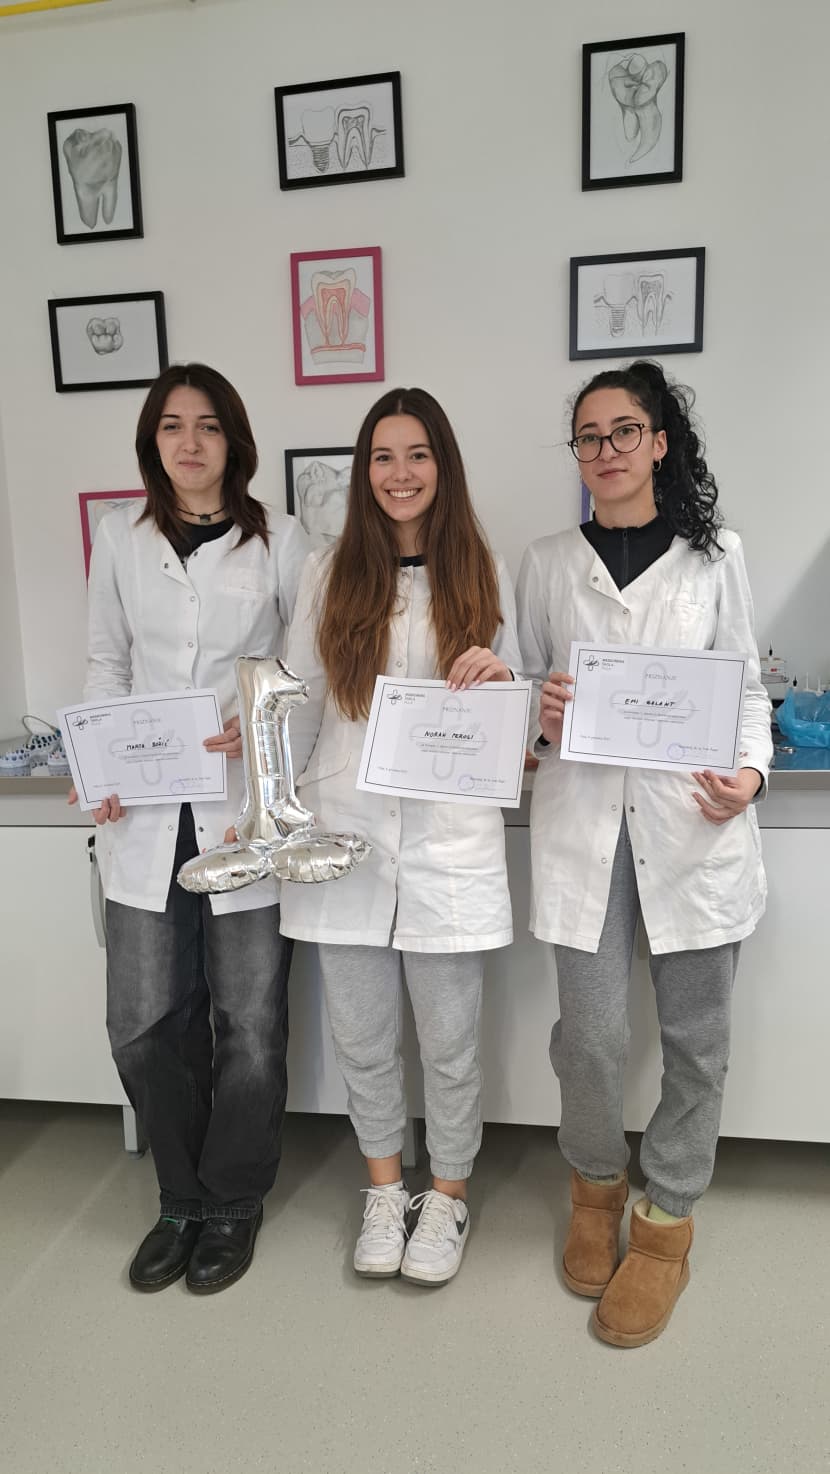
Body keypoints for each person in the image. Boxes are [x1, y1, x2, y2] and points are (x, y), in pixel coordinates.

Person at [516, 360, 772, 1347]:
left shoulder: (715, 558)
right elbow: (521, 695)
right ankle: (594, 1187)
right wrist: (537, 716)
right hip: (582, 823)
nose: (606, 450)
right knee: (589, 1038)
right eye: (588, 436)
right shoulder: (545, 562)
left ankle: (665, 1223)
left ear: (659, 443)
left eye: (624, 431)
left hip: (690, 826)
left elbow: (744, 689)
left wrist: (748, 775)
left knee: (696, 1041)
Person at [71, 363, 310, 1293]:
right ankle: (180, 1194)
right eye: (172, 426)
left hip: (242, 809)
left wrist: (262, 724)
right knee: (141, 1021)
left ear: (233, 440)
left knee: (249, 1020)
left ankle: (233, 1198)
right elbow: (106, 663)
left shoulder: (280, 540)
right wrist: (97, 767)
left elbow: (309, 669)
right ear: (153, 442)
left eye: (207, 425)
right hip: (143, 818)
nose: (190, 442)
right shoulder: (119, 539)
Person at [279, 387, 522, 1287]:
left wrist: (503, 681)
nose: (400, 473)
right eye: (382, 456)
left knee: (450, 1043)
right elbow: (299, 703)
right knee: (363, 1037)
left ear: (442, 465)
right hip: (345, 835)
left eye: (417, 454)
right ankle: (385, 1190)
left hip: (448, 843)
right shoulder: (327, 573)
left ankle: (447, 1196)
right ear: (364, 471)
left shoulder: (484, 570)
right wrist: (269, 805)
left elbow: (522, 716)